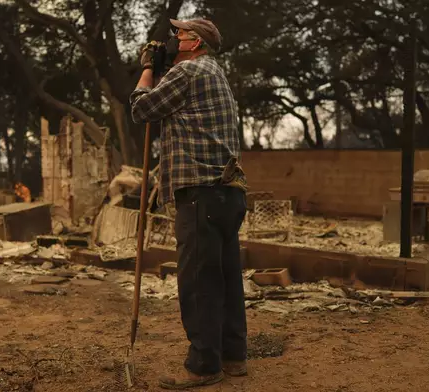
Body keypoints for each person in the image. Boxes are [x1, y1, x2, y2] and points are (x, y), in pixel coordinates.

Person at [130, 18, 248, 390]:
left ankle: (202, 366)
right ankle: (233, 357)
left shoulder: (189, 73)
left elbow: (141, 109)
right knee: (226, 278)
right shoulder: (214, 72)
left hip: (200, 194)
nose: (173, 38)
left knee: (199, 282)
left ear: (195, 43)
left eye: (179, 34)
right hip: (227, 193)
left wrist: (148, 68)